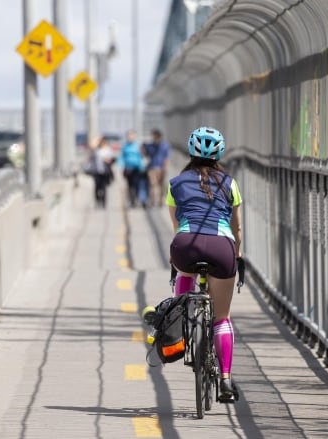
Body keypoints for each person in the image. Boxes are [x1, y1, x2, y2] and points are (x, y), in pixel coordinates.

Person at [165, 126, 243, 401]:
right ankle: (225, 380)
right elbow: (237, 229)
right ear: (220, 153)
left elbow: (177, 226)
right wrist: (237, 255)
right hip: (222, 246)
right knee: (222, 318)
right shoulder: (230, 184)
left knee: (184, 272)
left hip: (187, 244)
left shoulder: (176, 183)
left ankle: (182, 326)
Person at [119, 130, 148, 208]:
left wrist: (143, 167)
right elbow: (122, 157)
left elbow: (143, 156)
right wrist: (121, 166)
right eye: (128, 136)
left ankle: (142, 200)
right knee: (130, 186)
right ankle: (132, 201)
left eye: (131, 135)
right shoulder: (125, 146)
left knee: (139, 185)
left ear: (135, 136)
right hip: (128, 169)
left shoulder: (139, 145)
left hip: (139, 169)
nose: (130, 137)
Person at [142, 128, 170, 207]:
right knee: (152, 184)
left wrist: (165, 167)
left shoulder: (165, 145)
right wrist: (143, 149)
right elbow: (145, 155)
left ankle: (160, 201)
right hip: (152, 167)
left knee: (161, 185)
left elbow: (166, 158)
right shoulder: (150, 146)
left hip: (162, 168)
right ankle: (153, 201)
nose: (154, 138)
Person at [85, 135, 115, 208]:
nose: (102, 143)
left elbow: (113, 160)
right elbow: (90, 146)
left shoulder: (108, 150)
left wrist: (108, 161)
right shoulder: (96, 150)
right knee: (97, 187)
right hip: (96, 171)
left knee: (104, 187)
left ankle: (104, 202)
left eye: (102, 141)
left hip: (105, 171)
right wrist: (97, 139)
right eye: (100, 142)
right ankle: (98, 201)